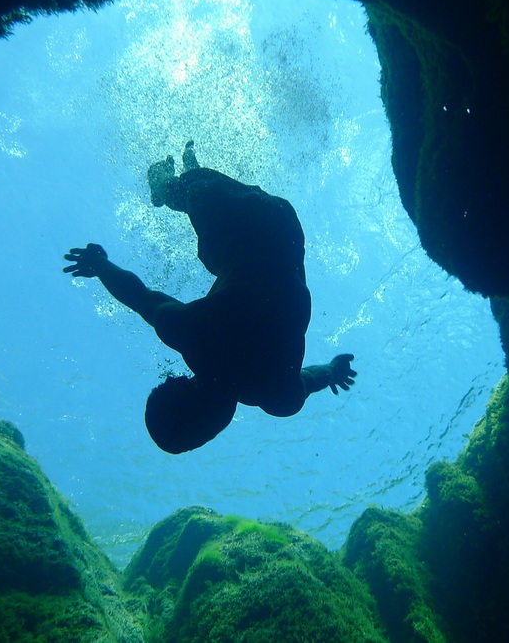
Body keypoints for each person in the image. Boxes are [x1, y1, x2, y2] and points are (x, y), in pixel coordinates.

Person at [63, 141, 357, 454]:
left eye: (205, 427)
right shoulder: (271, 391)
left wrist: (102, 266)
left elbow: (140, 297)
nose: (216, 424)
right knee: (201, 191)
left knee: (199, 193)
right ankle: (180, 178)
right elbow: (140, 297)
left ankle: (163, 186)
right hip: (268, 227)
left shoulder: (204, 342)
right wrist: (332, 369)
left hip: (265, 233)